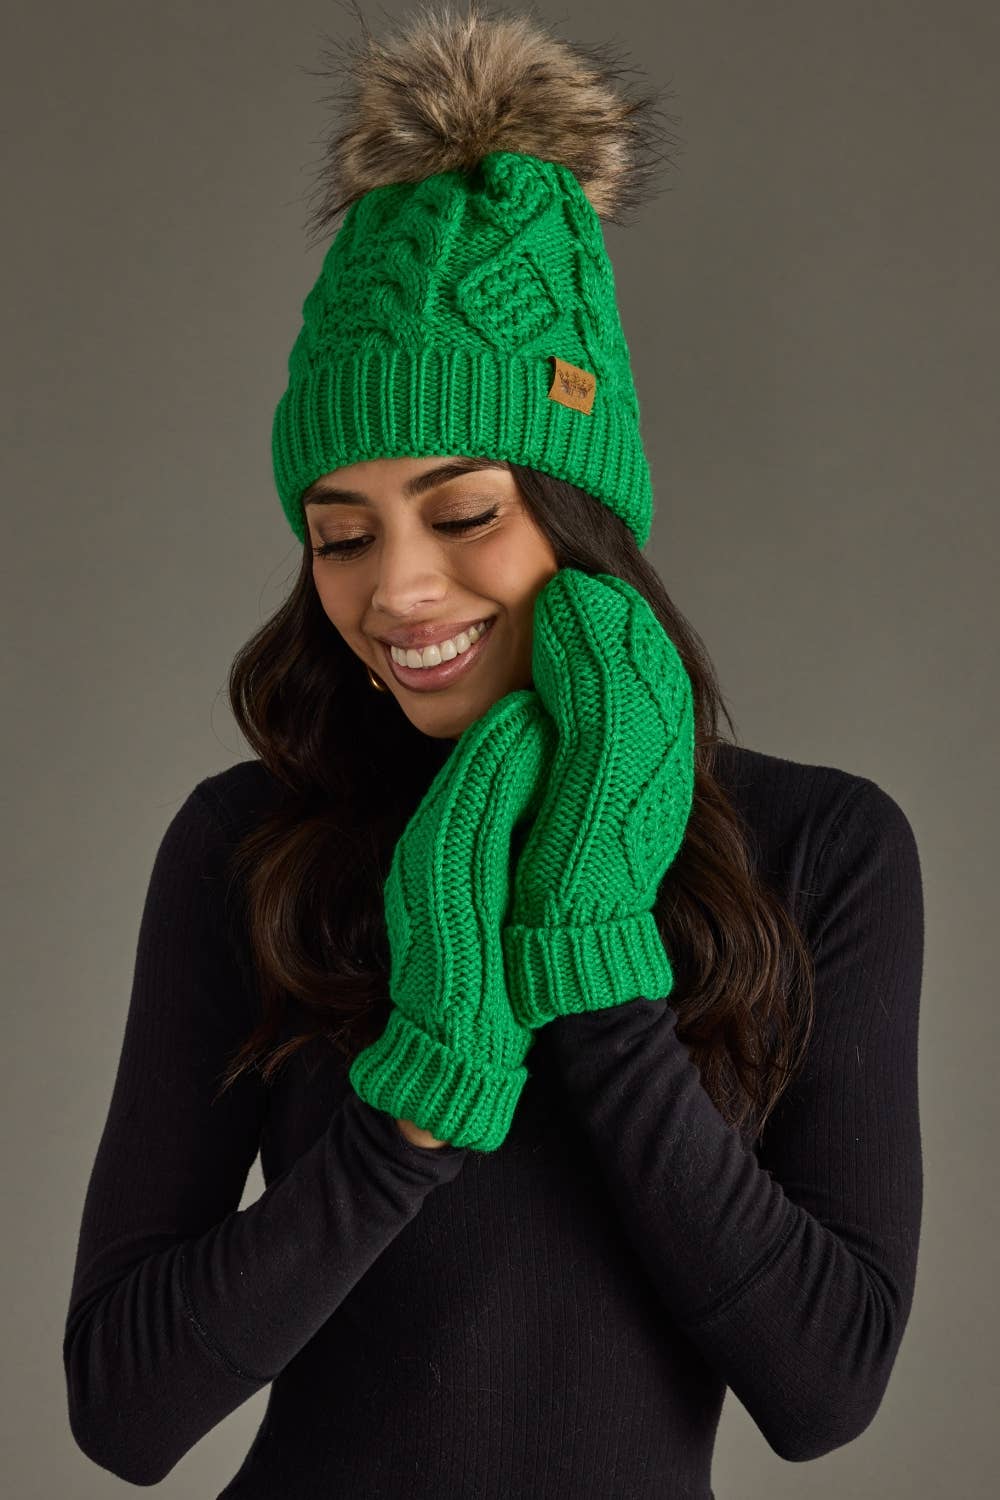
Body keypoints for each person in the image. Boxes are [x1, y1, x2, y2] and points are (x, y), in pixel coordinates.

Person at [62, 5, 924, 1495]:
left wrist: (590, 966)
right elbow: (124, 1413)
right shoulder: (247, 845)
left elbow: (825, 1387)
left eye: (464, 514)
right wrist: (411, 1114)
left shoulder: (823, 849)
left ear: (582, 518)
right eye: (340, 535)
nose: (396, 591)